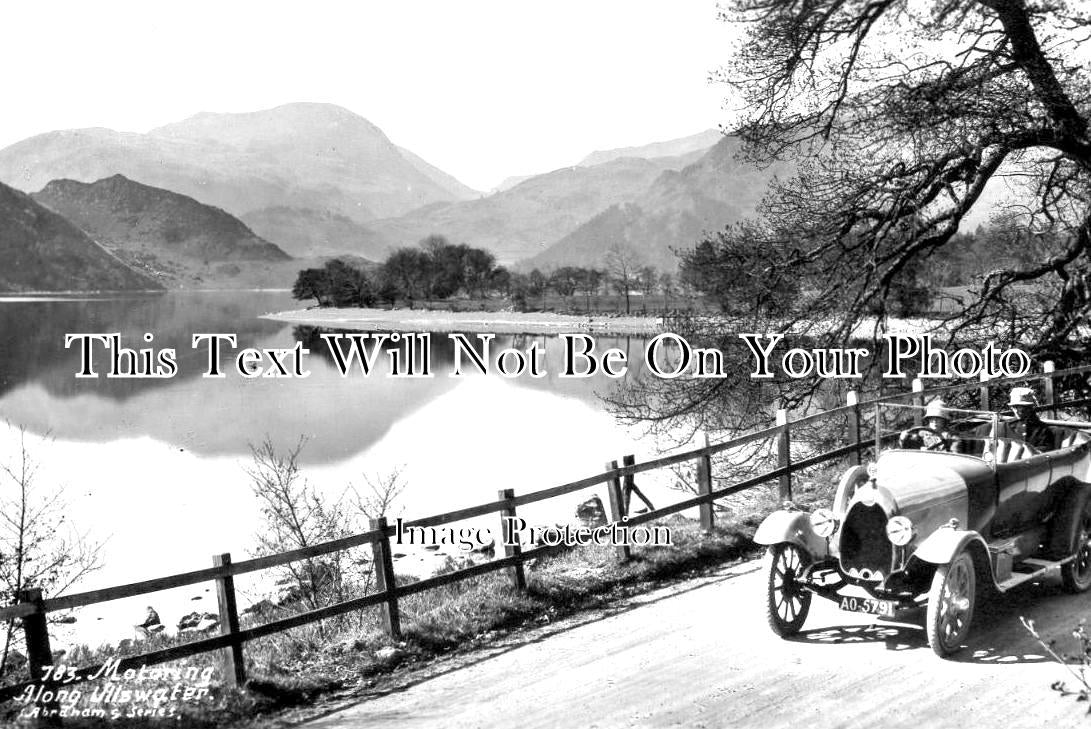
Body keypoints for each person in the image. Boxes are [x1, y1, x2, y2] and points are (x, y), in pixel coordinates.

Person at [1003, 387, 1056, 451]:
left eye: (1020, 407)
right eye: (1014, 407)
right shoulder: (1006, 426)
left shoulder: (1042, 429)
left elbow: (1047, 449)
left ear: (1029, 408)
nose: (1016, 410)